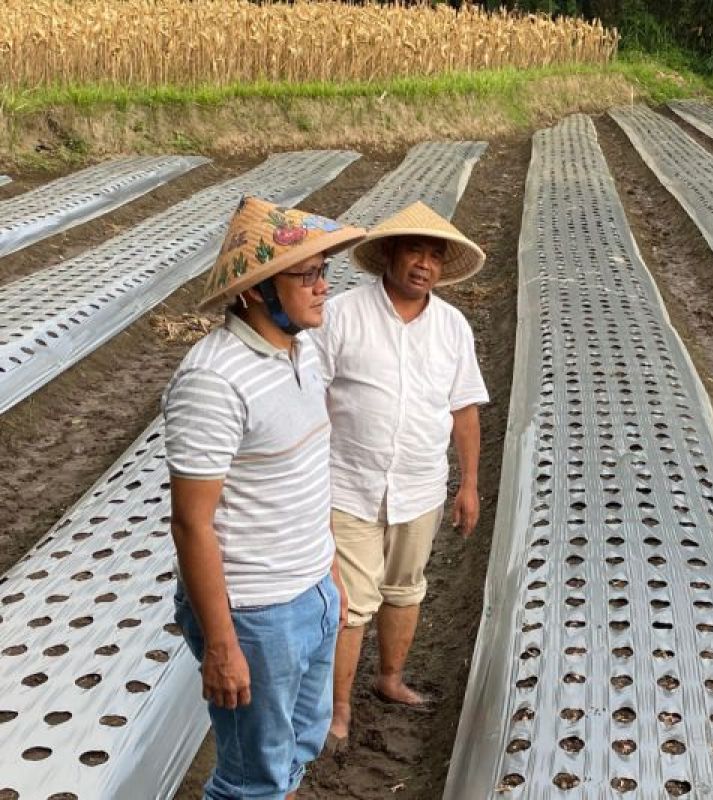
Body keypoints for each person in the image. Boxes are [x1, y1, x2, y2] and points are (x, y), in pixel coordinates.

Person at [165, 196, 364, 799]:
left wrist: (327, 570)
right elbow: (191, 525)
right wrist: (222, 646)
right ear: (256, 291)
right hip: (257, 614)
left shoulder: (301, 353)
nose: (323, 286)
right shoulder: (213, 380)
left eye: (324, 271)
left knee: (298, 748)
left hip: (313, 591)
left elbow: (302, 475)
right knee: (251, 779)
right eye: (306, 274)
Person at [310, 201, 488, 747]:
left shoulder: (452, 327)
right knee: (351, 602)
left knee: (405, 589)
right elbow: (310, 393)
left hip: (419, 485)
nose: (424, 265)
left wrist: (469, 485)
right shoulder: (342, 314)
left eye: (435, 256)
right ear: (390, 253)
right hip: (348, 482)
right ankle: (339, 710)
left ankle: (390, 679)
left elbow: (464, 410)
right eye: (415, 250)